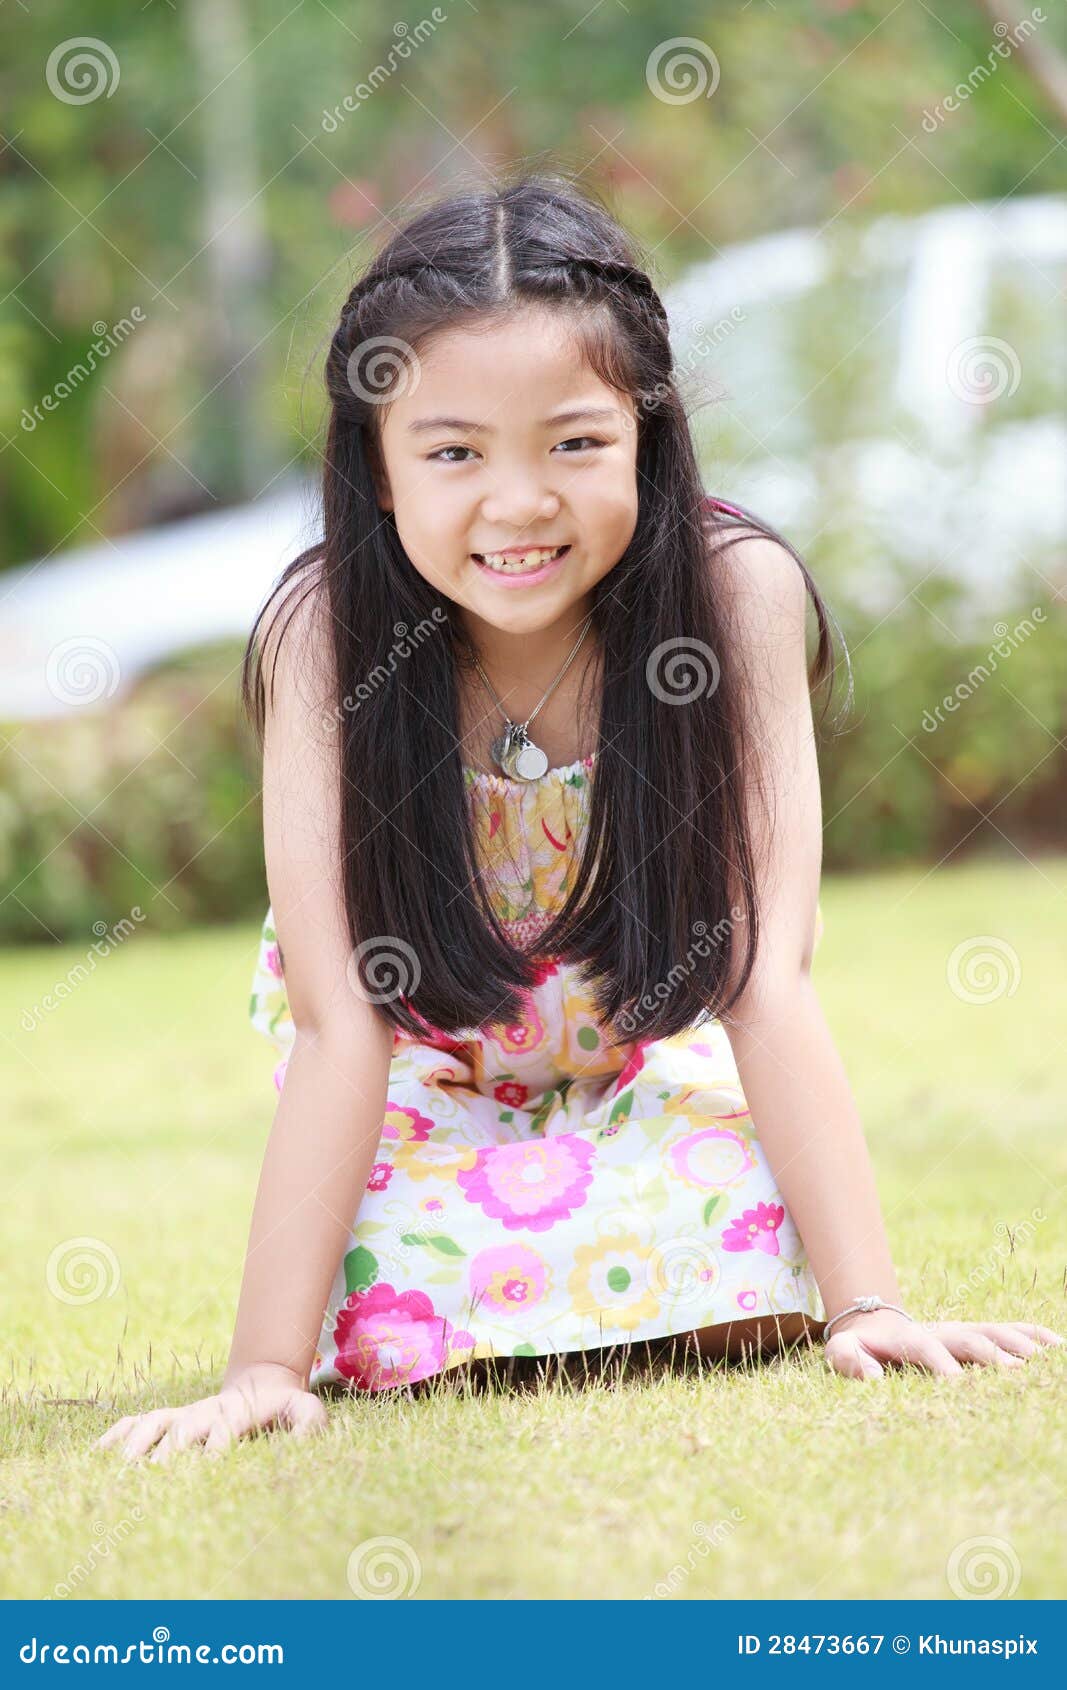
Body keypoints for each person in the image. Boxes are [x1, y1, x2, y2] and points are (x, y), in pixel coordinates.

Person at [94, 173, 1061, 1462]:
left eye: (574, 442)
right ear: (376, 469)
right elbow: (339, 1025)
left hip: (643, 1061)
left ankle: (611, 1278)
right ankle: (501, 1287)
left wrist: (865, 1303)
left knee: (757, 1242)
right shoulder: (325, 634)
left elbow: (767, 979)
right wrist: (264, 1369)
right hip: (421, 1083)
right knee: (382, 1298)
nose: (519, 502)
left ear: (647, 436)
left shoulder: (734, 596)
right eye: (452, 452)